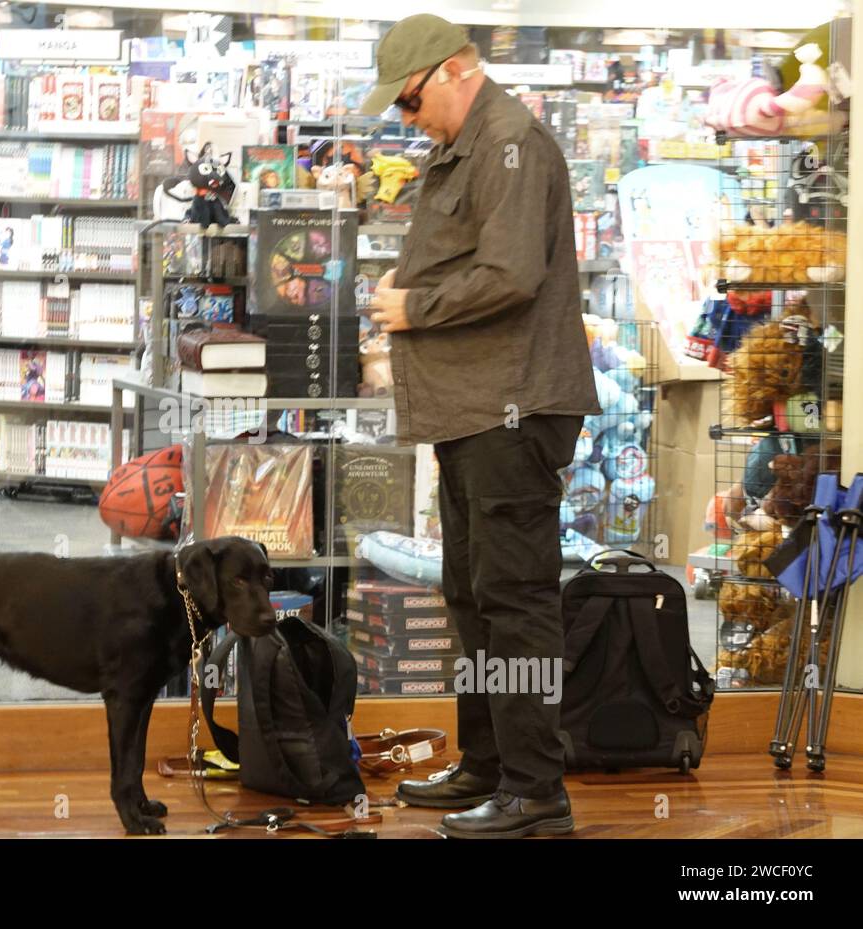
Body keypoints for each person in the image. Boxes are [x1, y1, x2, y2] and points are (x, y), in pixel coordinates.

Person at [363, 14, 601, 839]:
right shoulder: (470, 144)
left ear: (454, 69)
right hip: (474, 409)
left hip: (514, 407)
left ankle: (537, 790)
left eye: (409, 99)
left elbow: (511, 273)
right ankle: (490, 763)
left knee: (516, 599)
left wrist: (412, 304)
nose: (405, 118)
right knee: (473, 594)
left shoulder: (513, 143)